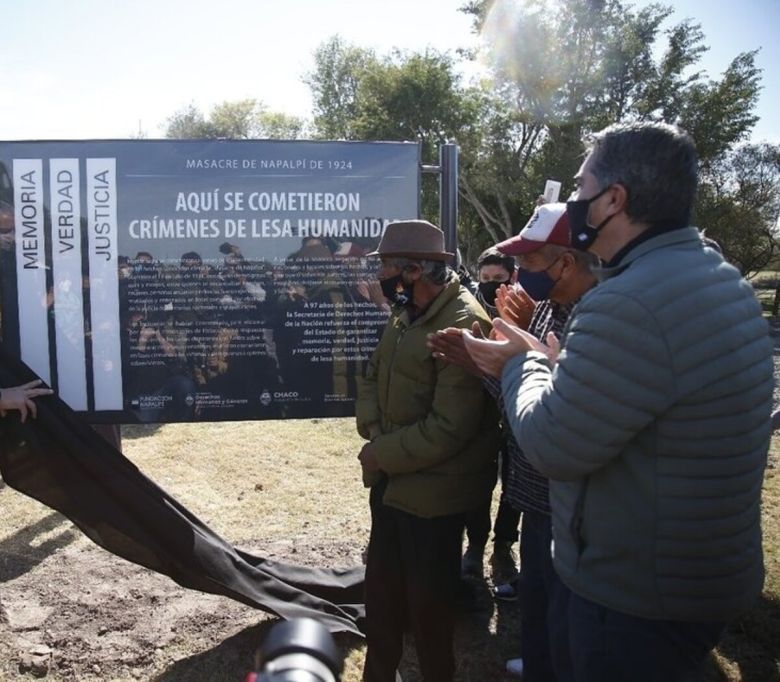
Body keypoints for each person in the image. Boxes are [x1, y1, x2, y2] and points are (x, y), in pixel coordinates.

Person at [462, 122, 773, 682]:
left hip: (635, 596)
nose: (574, 204)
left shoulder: (629, 301)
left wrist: (518, 361)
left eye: (581, 191)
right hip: (695, 580)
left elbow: (554, 445)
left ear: (613, 200)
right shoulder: (718, 279)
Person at [429, 204, 597, 681]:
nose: (521, 273)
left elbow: (560, 413)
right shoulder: (543, 306)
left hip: (566, 497)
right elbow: (516, 400)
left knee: (569, 610)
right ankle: (540, 663)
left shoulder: (596, 318)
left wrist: (502, 365)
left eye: (530, 261)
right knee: (538, 597)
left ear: (565, 262)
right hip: (533, 489)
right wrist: (479, 363)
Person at [356, 219, 500, 682]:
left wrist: (383, 454)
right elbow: (372, 375)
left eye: (385, 266)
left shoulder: (464, 322)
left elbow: (450, 428)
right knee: (381, 603)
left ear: (414, 269)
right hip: (393, 486)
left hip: (434, 503)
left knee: (429, 616)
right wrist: (375, 434)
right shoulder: (407, 311)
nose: (380, 275)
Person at [460, 247, 521, 581]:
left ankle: (504, 545)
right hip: (481, 412)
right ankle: (475, 545)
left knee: (514, 487)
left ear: (511, 277)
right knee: (479, 482)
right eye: (485, 278)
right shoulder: (468, 309)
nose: (489, 285)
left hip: (514, 414)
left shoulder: (525, 311)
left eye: (497, 279)